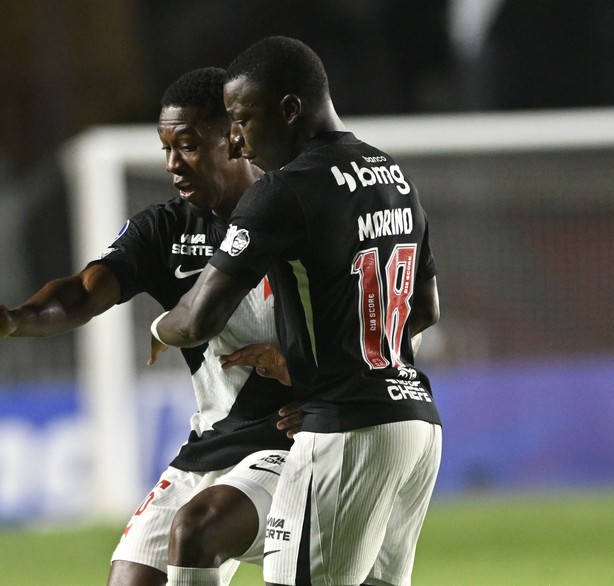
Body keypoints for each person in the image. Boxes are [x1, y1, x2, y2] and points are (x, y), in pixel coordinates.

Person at [0, 67, 297, 586]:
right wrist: (18, 319)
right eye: (166, 149)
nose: (173, 164)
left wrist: (303, 362)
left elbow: (386, 321)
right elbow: (84, 292)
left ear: (235, 140)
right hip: (211, 445)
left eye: (189, 146)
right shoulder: (165, 229)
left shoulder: (299, 214)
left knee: (198, 530)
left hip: (295, 442)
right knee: (130, 577)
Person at [151, 37, 442, 586]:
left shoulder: (283, 191)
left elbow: (197, 321)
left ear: (288, 109)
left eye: (242, 119)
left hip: (345, 433)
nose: (235, 141)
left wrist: (159, 328)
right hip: (415, 424)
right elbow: (423, 310)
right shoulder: (393, 176)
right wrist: (344, 362)